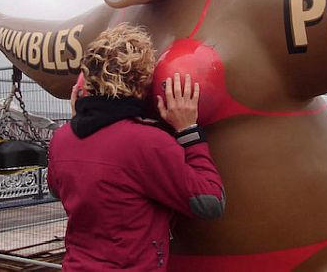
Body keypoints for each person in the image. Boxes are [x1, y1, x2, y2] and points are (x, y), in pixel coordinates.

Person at [47, 23, 225, 271]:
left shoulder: (61, 139)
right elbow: (209, 203)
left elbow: (58, 189)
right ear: (143, 83)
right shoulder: (148, 143)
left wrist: (79, 118)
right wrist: (188, 131)